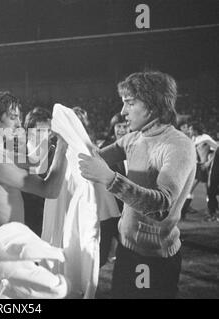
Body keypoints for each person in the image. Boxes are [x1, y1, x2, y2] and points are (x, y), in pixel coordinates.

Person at [79, 71, 196, 298]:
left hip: (152, 258)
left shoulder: (178, 145)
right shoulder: (134, 138)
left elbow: (161, 206)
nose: (123, 112)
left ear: (152, 106)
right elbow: (94, 157)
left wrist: (109, 179)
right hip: (128, 249)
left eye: (130, 104)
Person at [0, 91, 68, 298]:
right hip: (4, 245)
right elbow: (49, 190)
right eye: (13, 117)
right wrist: (63, 146)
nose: (19, 124)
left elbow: (34, 161)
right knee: (53, 291)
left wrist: (48, 140)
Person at [98, 112, 130, 267]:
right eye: (119, 126)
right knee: (101, 253)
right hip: (110, 208)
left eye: (125, 126)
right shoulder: (106, 148)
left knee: (129, 249)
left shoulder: (136, 145)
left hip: (129, 207)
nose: (122, 130)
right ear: (113, 127)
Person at [21, 107, 55, 236]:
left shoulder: (55, 154)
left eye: (48, 131)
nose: (45, 135)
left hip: (48, 215)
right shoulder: (17, 153)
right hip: (22, 215)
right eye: (40, 131)